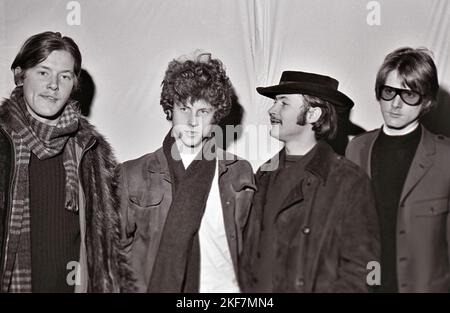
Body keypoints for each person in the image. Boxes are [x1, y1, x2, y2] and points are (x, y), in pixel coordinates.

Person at [0, 31, 133, 292]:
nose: (53, 85)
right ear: (20, 75)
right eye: (43, 72)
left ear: (74, 83)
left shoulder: (92, 150)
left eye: (65, 76)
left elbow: (103, 249)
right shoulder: (3, 141)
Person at [116, 51, 256, 292]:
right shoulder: (133, 175)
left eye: (203, 111)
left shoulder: (239, 172)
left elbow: (252, 249)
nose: (193, 121)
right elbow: (113, 255)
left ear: (216, 115)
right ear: (170, 110)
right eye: (184, 109)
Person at [240, 71, 379, 292]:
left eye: (283, 103)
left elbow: (369, 269)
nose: (271, 110)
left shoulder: (350, 181)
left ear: (313, 114)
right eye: (274, 102)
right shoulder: (263, 175)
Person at [346, 47, 450, 292]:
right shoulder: (356, 149)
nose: (395, 104)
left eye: (409, 95)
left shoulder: (445, 157)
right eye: (389, 91)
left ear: (427, 101)